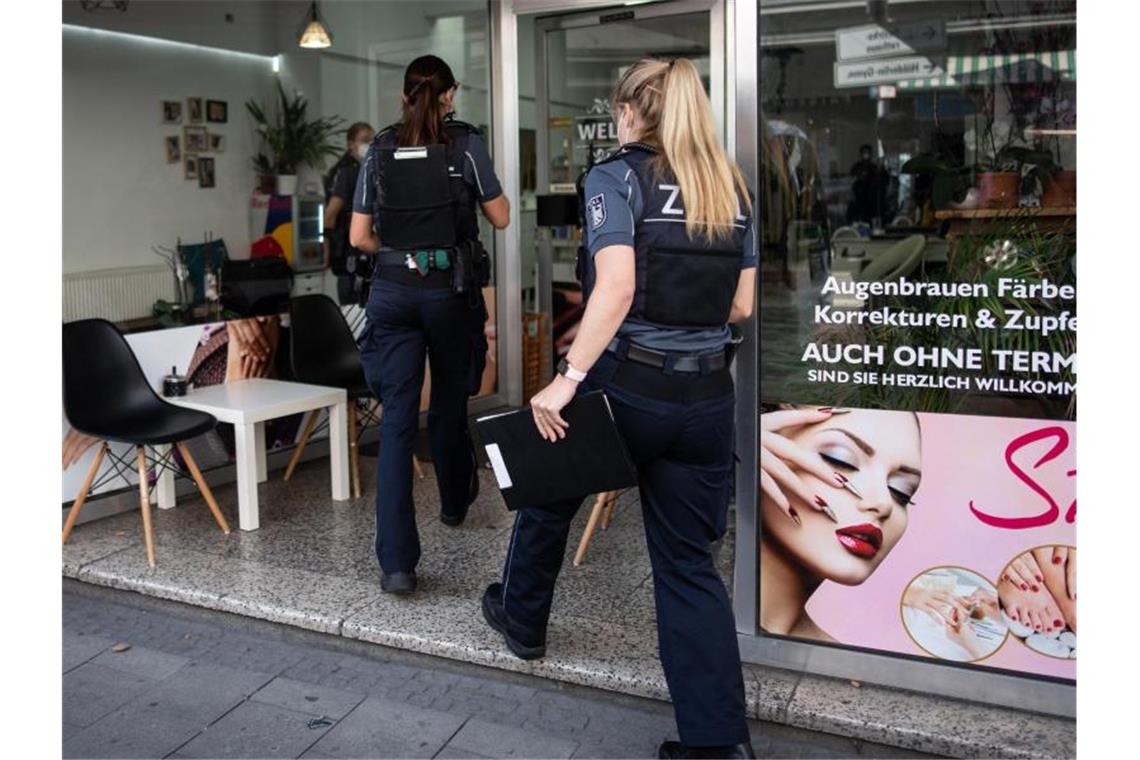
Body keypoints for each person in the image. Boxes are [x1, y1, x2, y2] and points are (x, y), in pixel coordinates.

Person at [480, 58, 757, 759]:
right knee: (689, 565)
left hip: (632, 385)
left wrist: (566, 379)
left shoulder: (616, 178)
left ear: (631, 112)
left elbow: (617, 288)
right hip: (705, 397)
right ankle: (717, 746)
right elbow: (742, 305)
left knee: (549, 491)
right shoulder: (731, 189)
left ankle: (523, 621)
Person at [350, 55, 510, 596]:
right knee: (446, 400)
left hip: (392, 293)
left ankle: (397, 565)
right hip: (447, 292)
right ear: (450, 94)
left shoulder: (379, 149)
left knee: (397, 421)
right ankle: (452, 503)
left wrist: (399, 254)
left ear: (403, 96)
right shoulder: (465, 145)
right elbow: (503, 216)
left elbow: (358, 237)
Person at [757, 406, 922, 640]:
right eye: (840, 460)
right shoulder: (690, 622)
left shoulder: (850, 671)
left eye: (901, 492)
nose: (883, 503)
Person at [324, 122, 374, 304]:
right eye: (364, 140)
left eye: (371, 140)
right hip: (347, 246)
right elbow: (330, 213)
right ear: (350, 144)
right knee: (353, 300)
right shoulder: (347, 171)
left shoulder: (350, 168)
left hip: (350, 245)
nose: (369, 144)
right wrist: (327, 246)